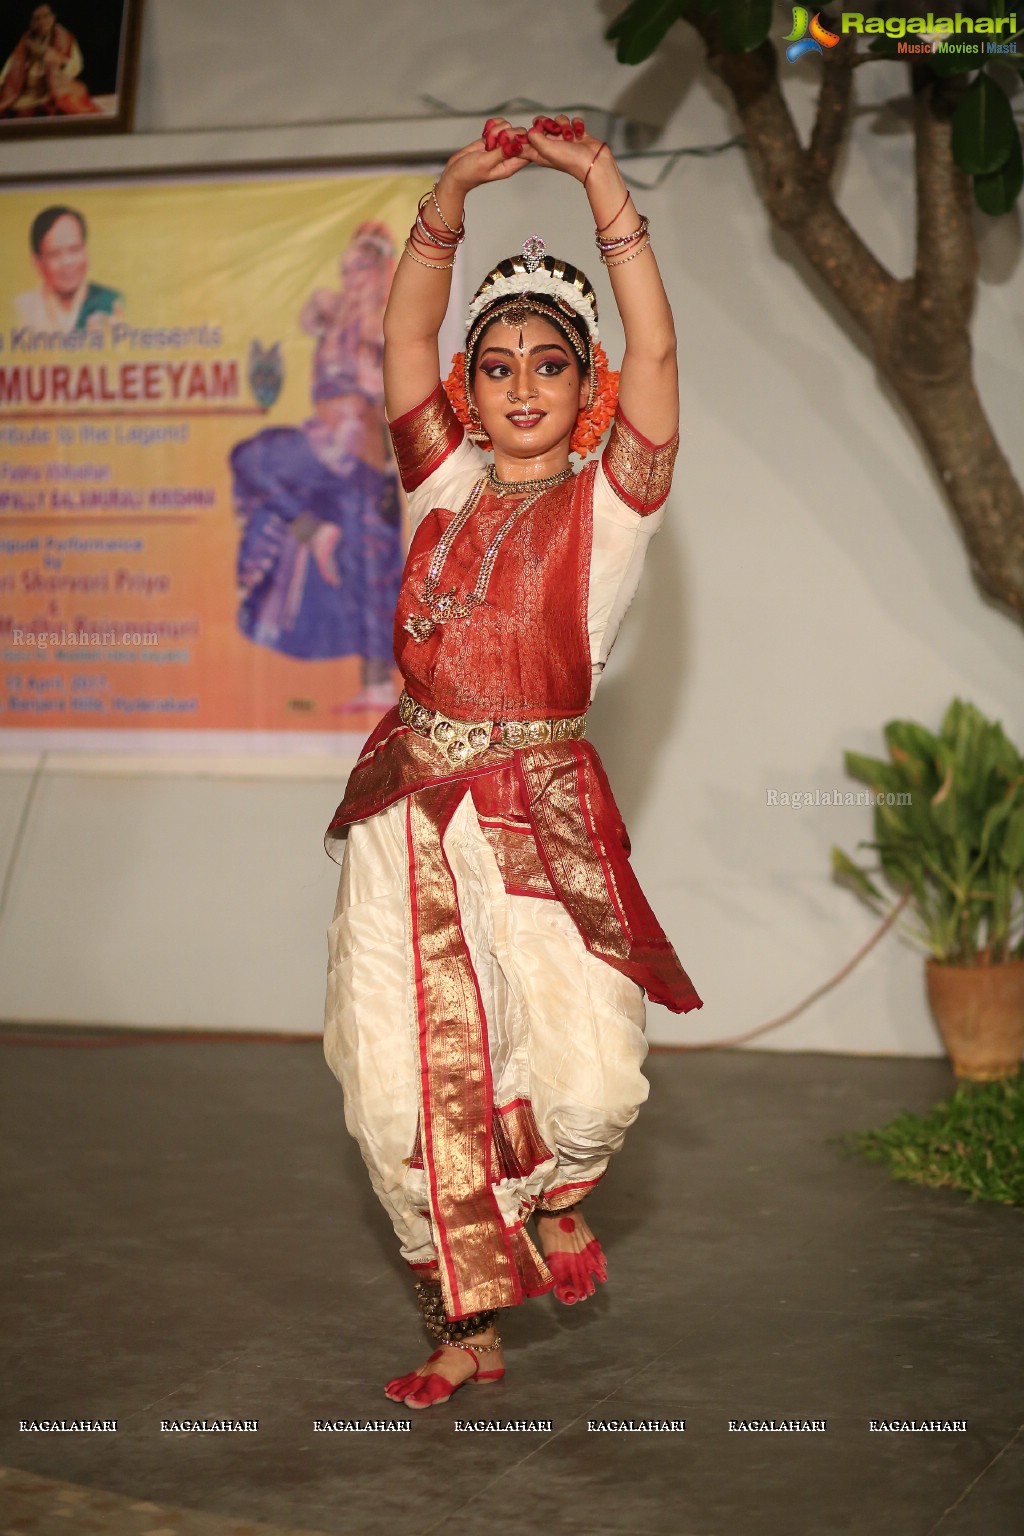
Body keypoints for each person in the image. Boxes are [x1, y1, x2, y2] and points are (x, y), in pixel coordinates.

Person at [322, 113, 703, 1410]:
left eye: (551, 362)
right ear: (472, 390)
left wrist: (602, 183)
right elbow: (397, 340)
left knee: (594, 1074)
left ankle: (542, 1204)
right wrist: (449, 199)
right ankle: (466, 1327)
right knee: (393, 1090)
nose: (521, 384)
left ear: (584, 382)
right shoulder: (438, 486)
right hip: (407, 805)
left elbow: (659, 346)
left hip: (537, 804)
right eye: (497, 366)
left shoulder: (613, 507)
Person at [231, 222, 403, 671]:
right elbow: (311, 315)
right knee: (262, 470)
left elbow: (395, 386)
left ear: (383, 271)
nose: (351, 280)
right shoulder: (343, 319)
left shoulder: (381, 322)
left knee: (253, 457)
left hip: (350, 454)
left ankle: (317, 533)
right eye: (345, 271)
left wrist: (376, 378)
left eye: (361, 269)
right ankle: (318, 533)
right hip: (325, 448)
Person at [14, 206, 122, 332]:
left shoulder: (111, 302)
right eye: (54, 254)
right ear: (37, 262)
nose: (67, 262)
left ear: (86, 251)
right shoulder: (23, 308)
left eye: (75, 249)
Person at [0, 5, 99, 118]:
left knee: (63, 107)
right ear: (31, 22)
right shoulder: (26, 41)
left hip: (53, 90)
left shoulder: (63, 36)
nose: (42, 21)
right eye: (37, 18)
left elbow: (75, 65)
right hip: (27, 93)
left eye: (46, 16)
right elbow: (10, 66)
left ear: (53, 17)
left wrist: (50, 57)